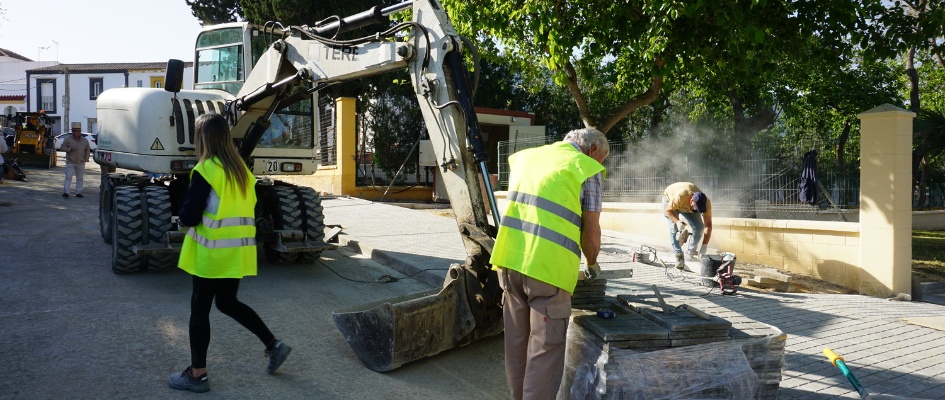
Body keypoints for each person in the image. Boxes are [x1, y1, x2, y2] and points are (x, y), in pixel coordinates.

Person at [168, 113, 291, 393]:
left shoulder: (206, 170)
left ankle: (197, 374)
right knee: (227, 303)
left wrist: (180, 219)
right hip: (236, 252)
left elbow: (189, 215)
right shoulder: (242, 172)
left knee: (200, 310)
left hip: (210, 255)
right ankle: (273, 345)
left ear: (202, 139)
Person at [490, 127, 609, 400]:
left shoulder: (527, 157)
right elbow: (591, 234)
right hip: (547, 272)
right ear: (592, 151)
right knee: (545, 349)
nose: (598, 165)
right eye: (600, 159)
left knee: (517, 343)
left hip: (509, 262)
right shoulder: (585, 168)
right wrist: (592, 264)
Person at [663, 182, 713, 264]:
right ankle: (678, 254)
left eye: (699, 209)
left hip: (685, 206)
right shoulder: (680, 197)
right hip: (670, 201)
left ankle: (690, 254)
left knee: (699, 227)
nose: (697, 210)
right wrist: (678, 222)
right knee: (674, 228)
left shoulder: (706, 204)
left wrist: (704, 246)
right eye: (696, 207)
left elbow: (708, 226)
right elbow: (668, 211)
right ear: (691, 201)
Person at [60, 124, 91, 198]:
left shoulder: (84, 140)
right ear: (73, 132)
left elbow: (88, 150)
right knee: (68, 177)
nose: (77, 132)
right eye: (76, 131)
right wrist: (69, 149)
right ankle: (66, 192)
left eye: (79, 131)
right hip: (70, 161)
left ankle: (78, 192)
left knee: (80, 178)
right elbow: (62, 148)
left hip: (81, 162)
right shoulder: (68, 139)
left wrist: (86, 158)